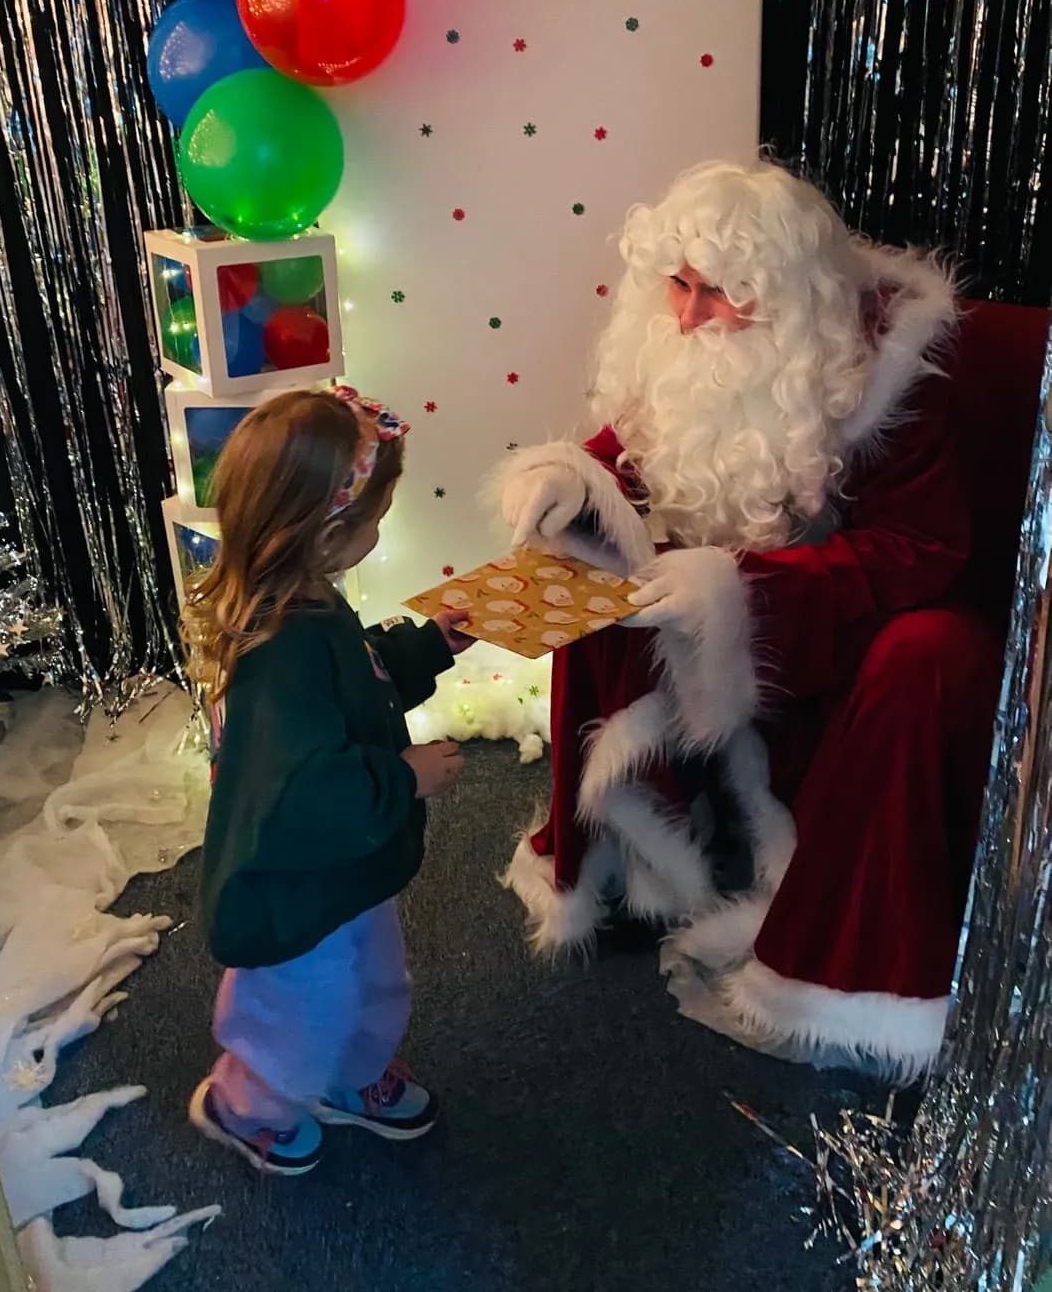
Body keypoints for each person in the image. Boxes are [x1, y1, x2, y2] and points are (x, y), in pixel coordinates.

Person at [495, 158, 1006, 1078]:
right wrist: (570, 481)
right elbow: (636, 455)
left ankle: (843, 965)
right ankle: (624, 868)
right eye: (678, 286)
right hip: (744, 616)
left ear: (786, 299)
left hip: (859, 631)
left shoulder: (887, 373)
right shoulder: (681, 343)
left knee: (931, 654)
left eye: (721, 295)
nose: (688, 317)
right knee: (587, 571)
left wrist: (744, 589)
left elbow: (921, 553)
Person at [184, 385, 471, 1175]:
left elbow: (365, 683)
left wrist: (430, 646)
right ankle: (247, 1103)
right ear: (328, 531)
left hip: (340, 869)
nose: (381, 529)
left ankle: (351, 1075)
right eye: (374, 515)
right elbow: (305, 793)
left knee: (372, 977)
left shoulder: (308, 604)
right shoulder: (284, 649)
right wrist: (404, 777)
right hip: (290, 884)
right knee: (300, 1005)